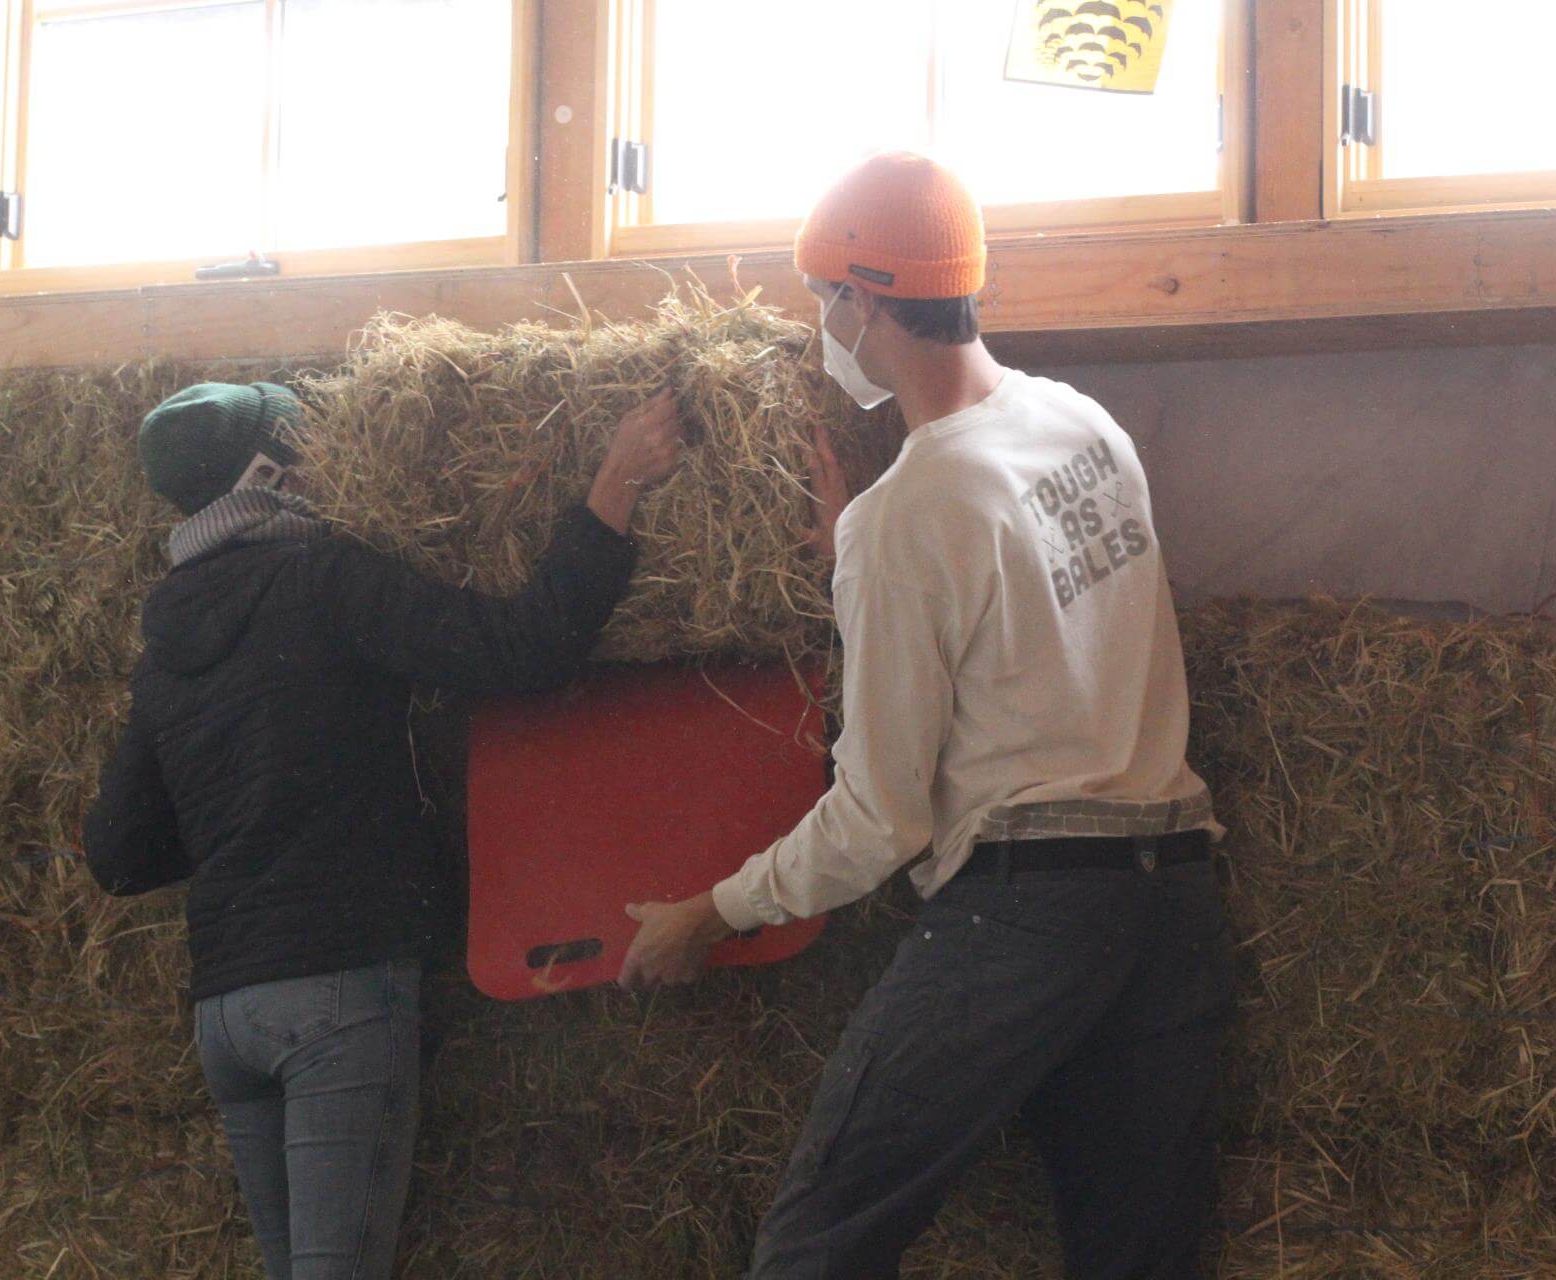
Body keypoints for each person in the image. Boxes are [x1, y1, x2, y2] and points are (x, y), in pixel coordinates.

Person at [620, 152, 1234, 1279]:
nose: (821, 323)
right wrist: (873, 548)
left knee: (823, 1236)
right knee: (1136, 1255)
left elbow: (879, 818)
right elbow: (1027, 603)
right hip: (1170, 899)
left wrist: (709, 911)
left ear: (864, 300)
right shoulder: (1083, 428)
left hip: (1027, 915)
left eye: (822, 299)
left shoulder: (912, 515)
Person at [82, 380, 683, 1280]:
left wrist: (236, 813)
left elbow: (116, 853)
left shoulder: (166, 646)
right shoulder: (322, 581)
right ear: (270, 472)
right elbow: (522, 648)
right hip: (334, 992)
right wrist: (616, 488)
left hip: (226, 1012)